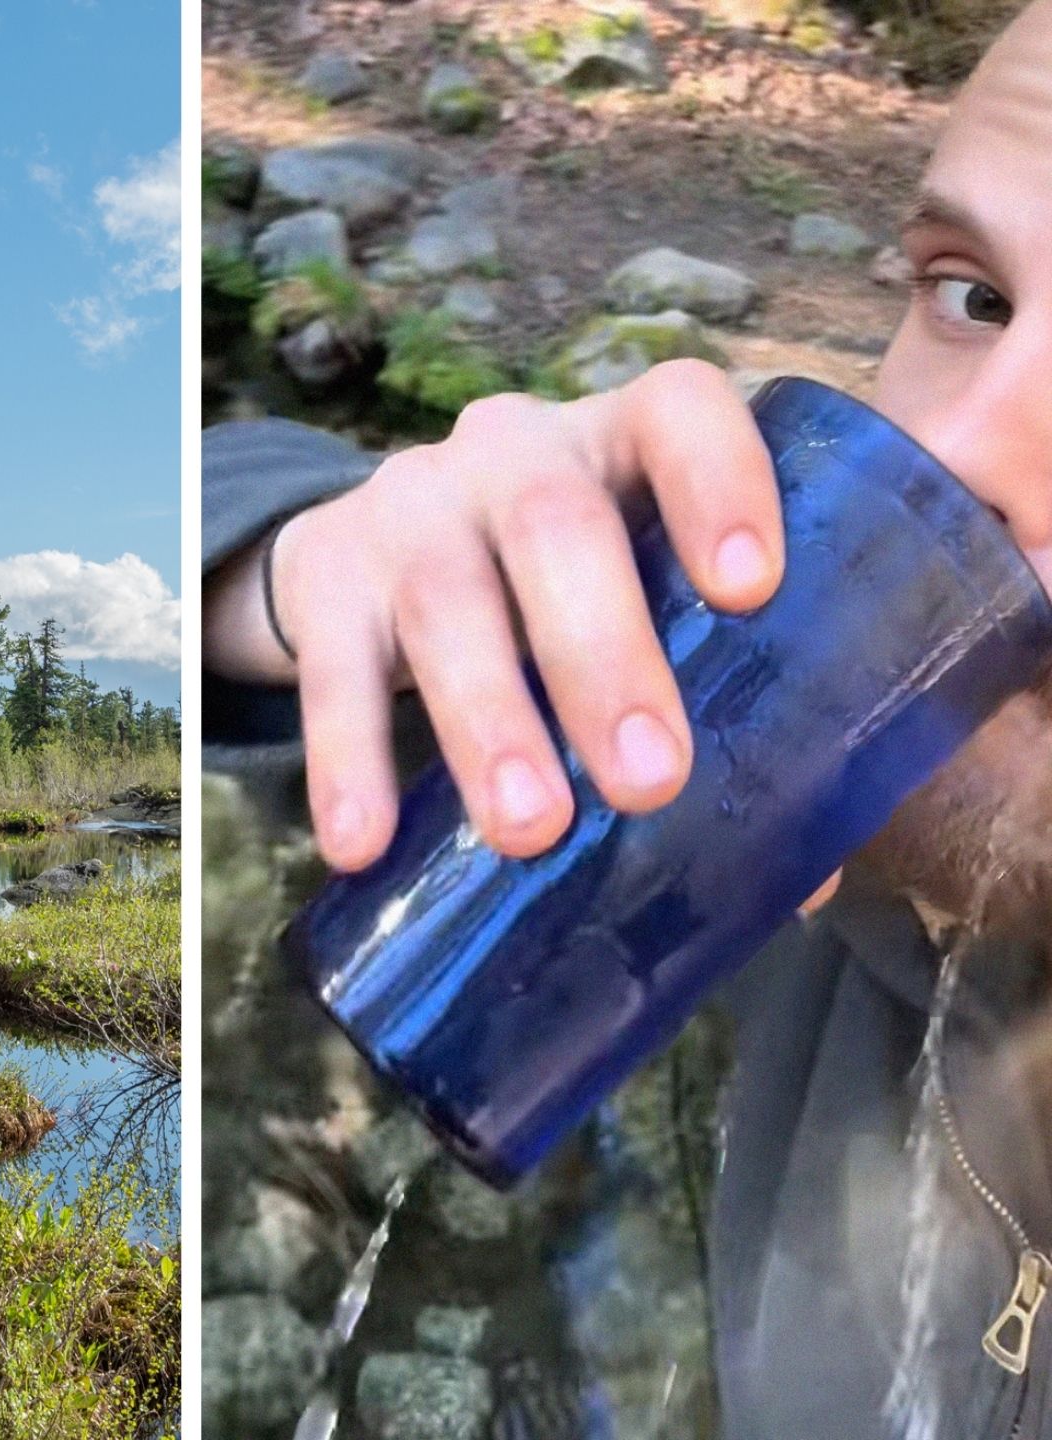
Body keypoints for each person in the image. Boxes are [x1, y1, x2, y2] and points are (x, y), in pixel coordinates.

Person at [204, 3, 1052, 1433]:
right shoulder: (817, 828)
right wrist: (285, 580)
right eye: (972, 298)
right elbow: (216, 522)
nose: (962, 450)